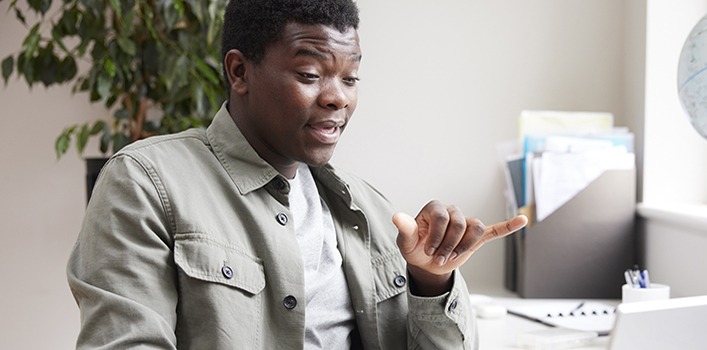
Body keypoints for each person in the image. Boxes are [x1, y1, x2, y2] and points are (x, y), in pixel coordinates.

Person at [66, 0, 527, 349]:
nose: (338, 98)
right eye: (310, 73)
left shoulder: (368, 208)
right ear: (239, 71)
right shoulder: (145, 183)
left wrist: (432, 283)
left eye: (350, 79)